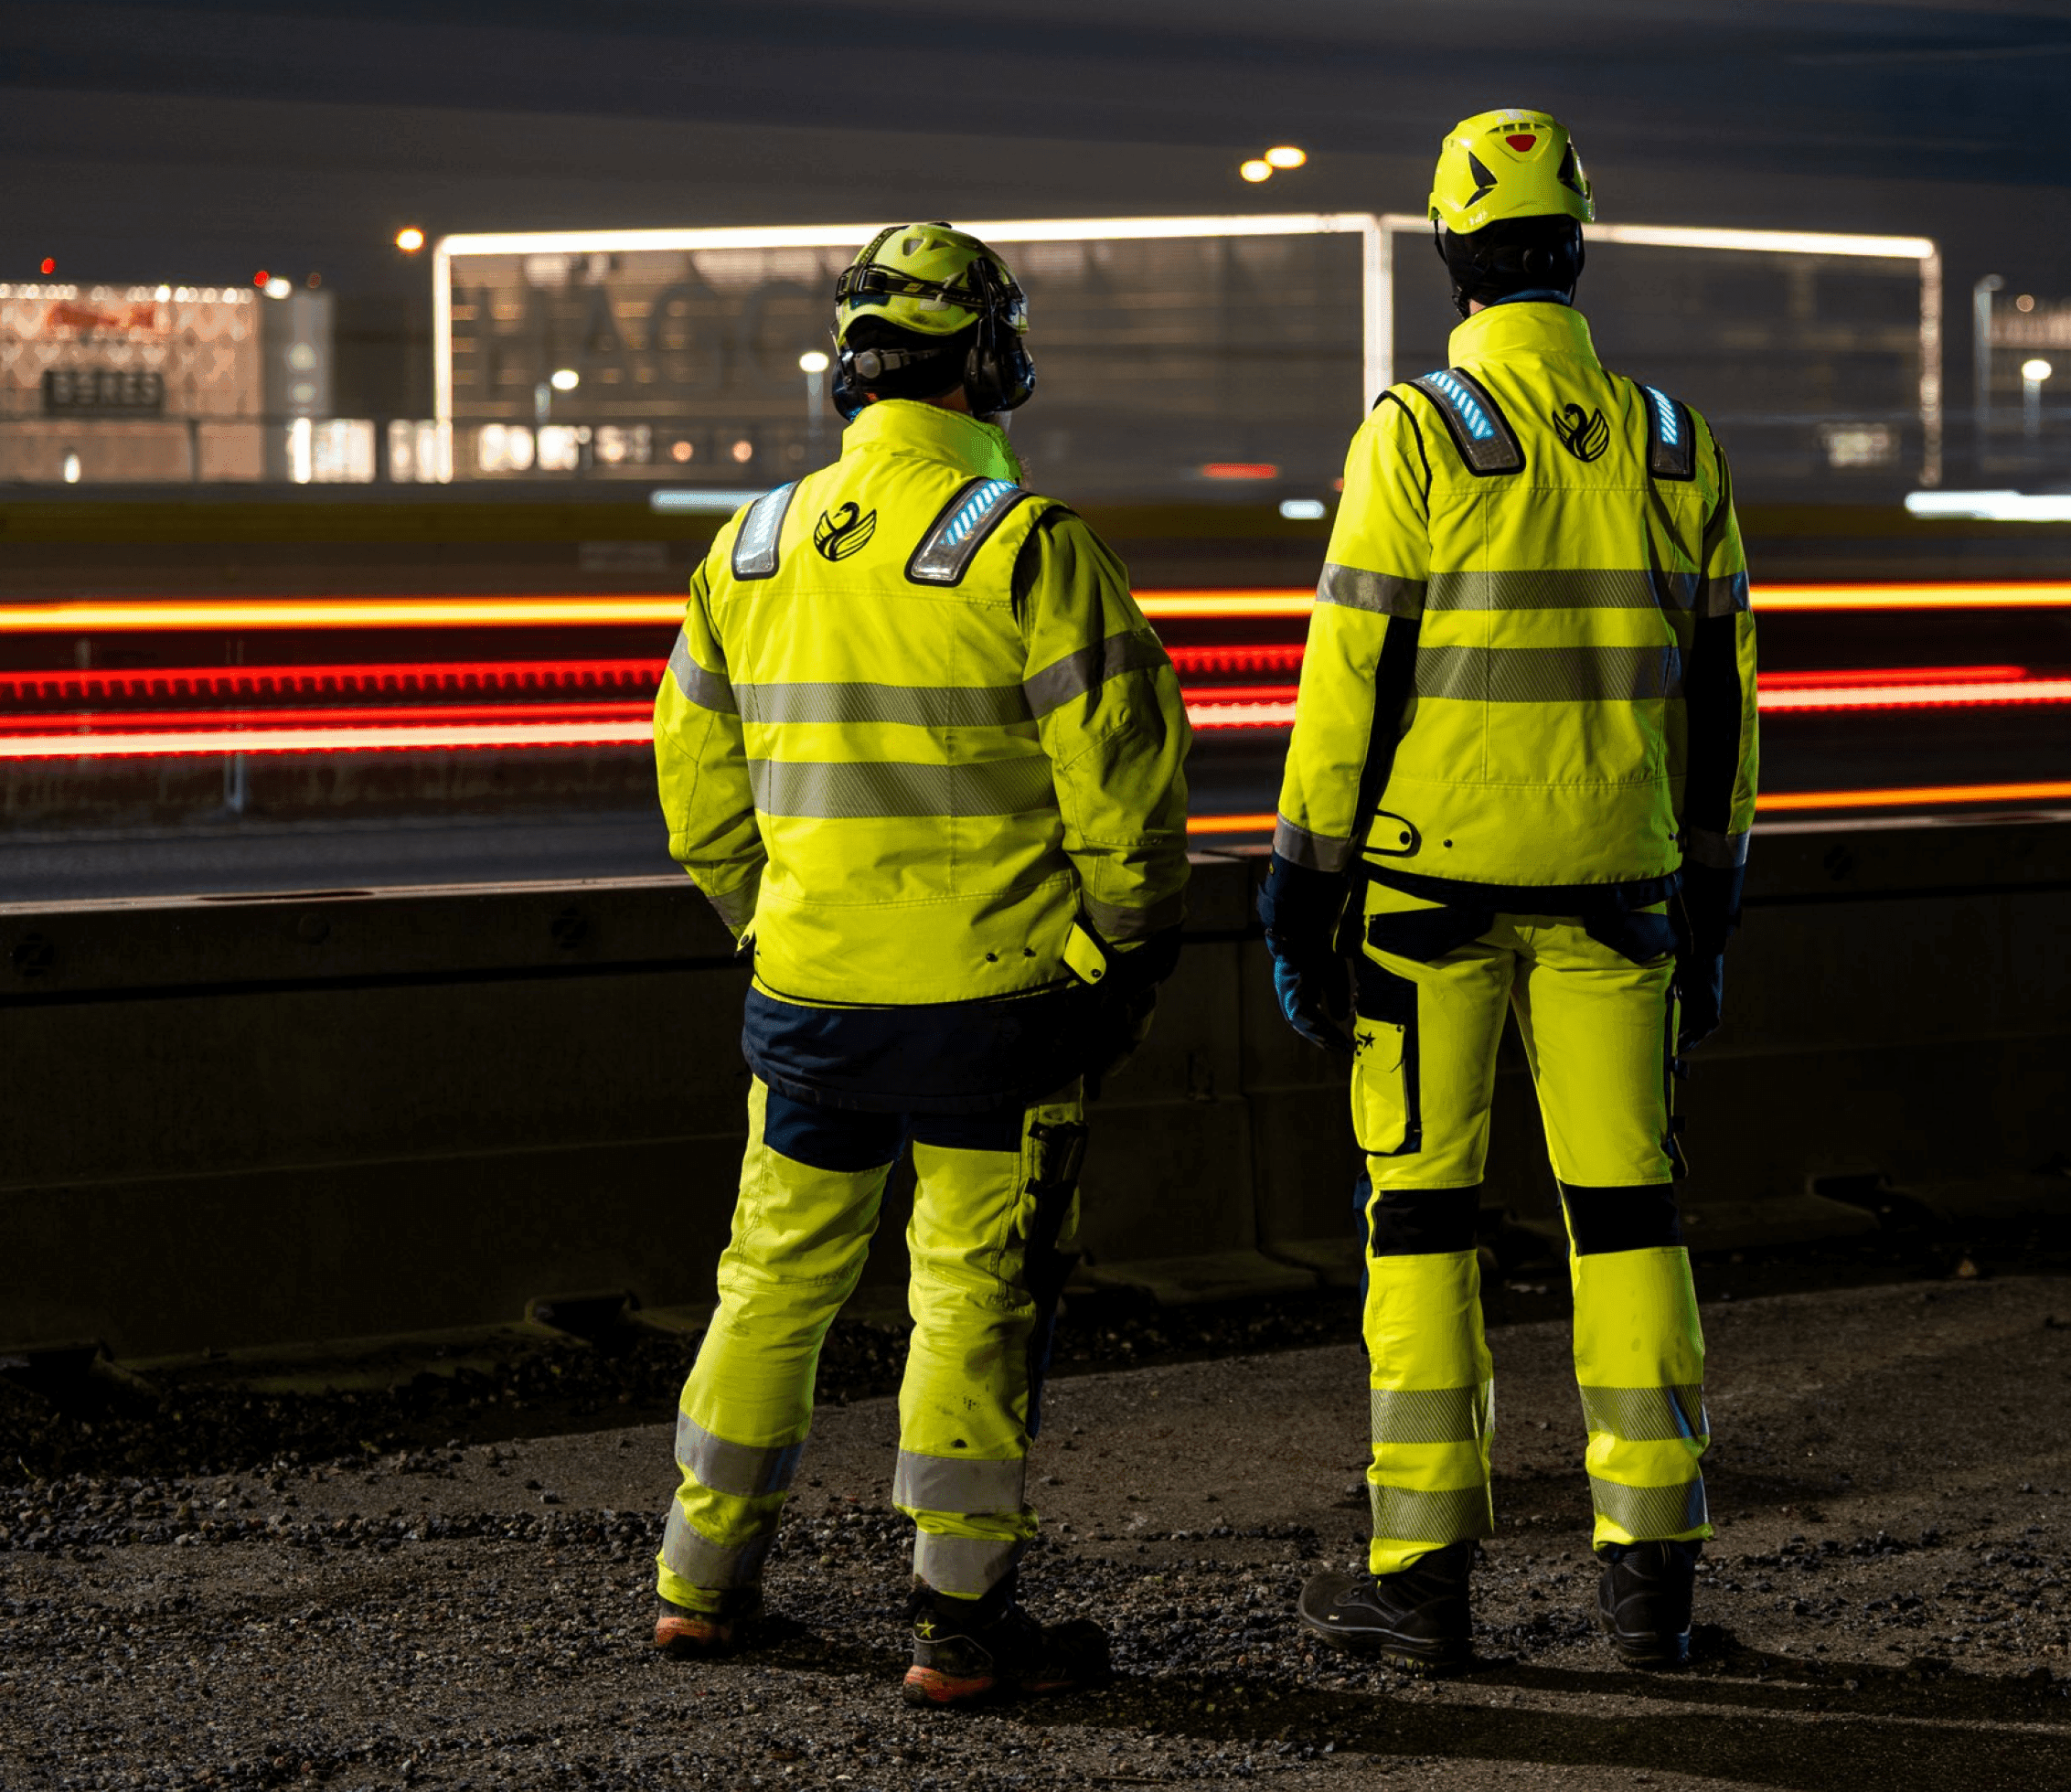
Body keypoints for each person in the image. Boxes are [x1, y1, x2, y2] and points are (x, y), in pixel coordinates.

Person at [647, 222, 1191, 1706]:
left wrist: (771, 918)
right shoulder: (1029, 549)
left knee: (769, 1284)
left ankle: (702, 1584)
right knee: (969, 1297)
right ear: (983, 362)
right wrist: (1115, 957)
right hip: (992, 1012)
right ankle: (958, 1620)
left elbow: (696, 788)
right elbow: (1129, 797)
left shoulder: (747, 546)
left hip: (811, 999)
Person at [1259, 109, 1759, 1673]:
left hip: (1427, 902)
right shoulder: (1675, 442)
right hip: (1623, 891)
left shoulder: (1415, 435)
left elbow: (1347, 685)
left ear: (1449, 257)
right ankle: (1651, 1586)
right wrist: (1716, 889)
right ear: (1580, 249)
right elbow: (1726, 704)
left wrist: (1298, 884)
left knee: (1419, 1226)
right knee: (1630, 1223)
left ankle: (1419, 1584)